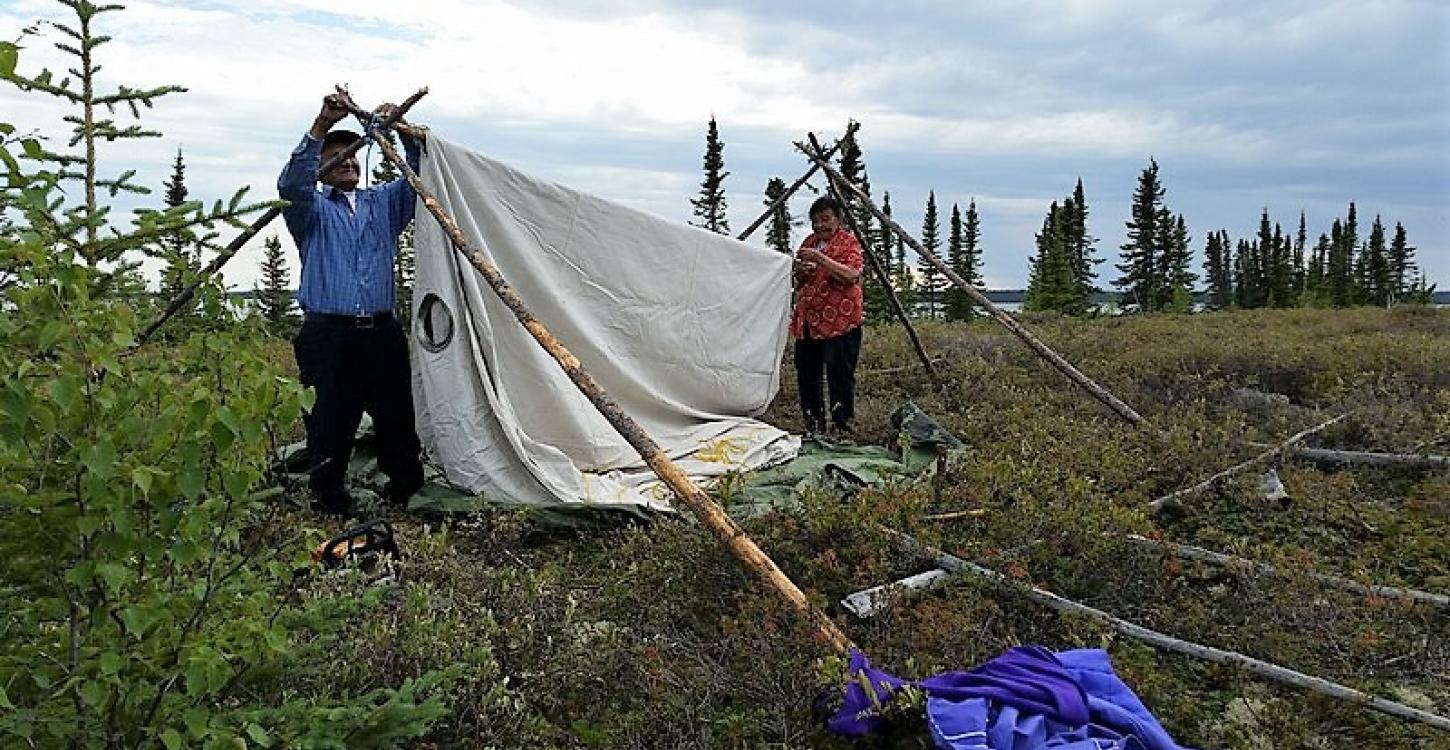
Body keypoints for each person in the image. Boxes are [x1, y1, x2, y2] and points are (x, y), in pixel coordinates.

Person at [278, 92, 424, 515]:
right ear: (321, 168)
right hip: (328, 333)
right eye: (335, 156)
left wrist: (393, 128)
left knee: (396, 412)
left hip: (381, 330)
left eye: (352, 154)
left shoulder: (384, 203)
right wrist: (322, 123)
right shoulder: (310, 210)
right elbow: (290, 182)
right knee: (328, 417)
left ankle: (405, 488)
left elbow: (417, 170)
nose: (346, 161)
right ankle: (330, 498)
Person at [790, 197, 864, 436]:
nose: (820, 225)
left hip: (840, 324)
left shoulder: (848, 242)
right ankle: (814, 426)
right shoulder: (809, 243)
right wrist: (800, 271)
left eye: (825, 219)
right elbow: (797, 281)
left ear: (838, 219)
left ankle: (843, 427)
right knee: (807, 376)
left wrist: (821, 260)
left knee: (839, 376)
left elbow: (851, 275)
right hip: (809, 324)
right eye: (815, 221)